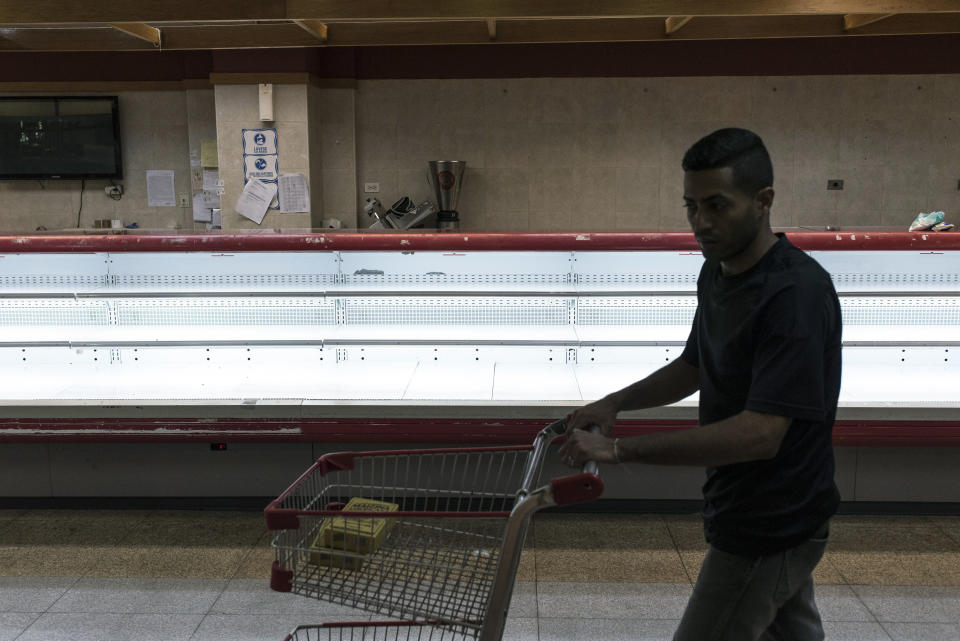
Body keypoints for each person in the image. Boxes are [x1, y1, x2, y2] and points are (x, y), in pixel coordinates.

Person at [560, 127, 842, 641]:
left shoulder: (794, 294)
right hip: (747, 505)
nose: (701, 223)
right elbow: (694, 365)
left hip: (772, 520)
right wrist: (615, 403)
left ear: (764, 201)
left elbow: (762, 433)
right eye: (691, 206)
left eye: (717, 205)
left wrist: (619, 452)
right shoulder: (717, 272)